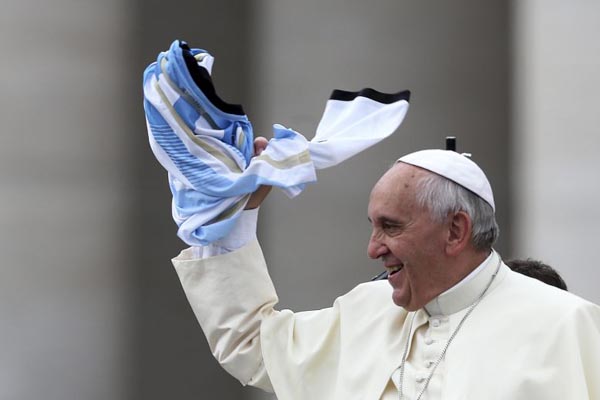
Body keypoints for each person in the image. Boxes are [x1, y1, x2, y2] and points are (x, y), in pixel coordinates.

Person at [171, 144, 600, 399]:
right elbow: (254, 346)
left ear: (455, 230)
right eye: (373, 226)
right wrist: (234, 219)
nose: (373, 247)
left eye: (391, 227)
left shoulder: (564, 323)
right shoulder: (367, 309)